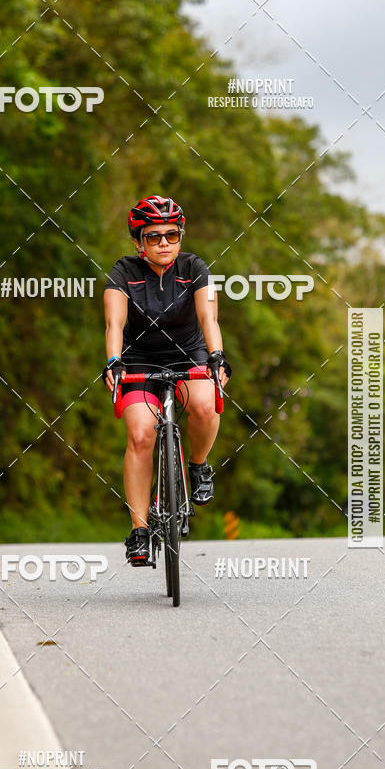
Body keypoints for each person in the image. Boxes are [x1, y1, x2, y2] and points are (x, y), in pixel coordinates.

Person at [102, 195, 231, 565]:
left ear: (180, 236)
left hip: (189, 353)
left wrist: (217, 356)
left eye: (171, 235)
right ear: (138, 241)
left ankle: (198, 465)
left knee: (206, 404)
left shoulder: (194, 267)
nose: (164, 243)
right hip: (138, 360)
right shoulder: (123, 271)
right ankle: (140, 530)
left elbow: (209, 319)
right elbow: (115, 324)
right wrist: (114, 362)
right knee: (141, 434)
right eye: (154, 236)